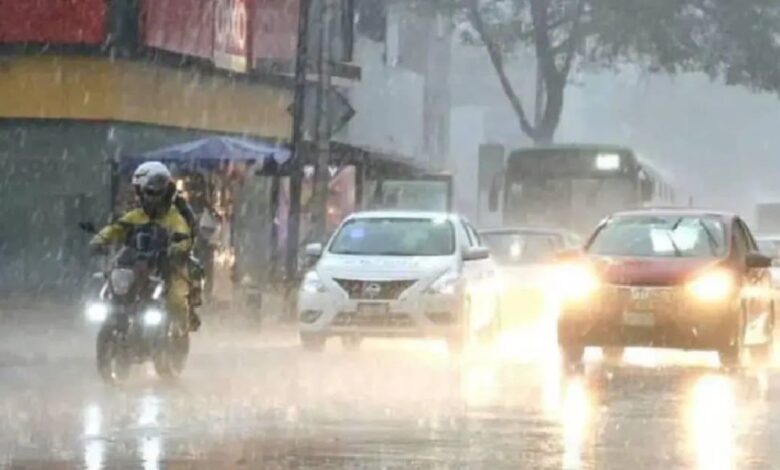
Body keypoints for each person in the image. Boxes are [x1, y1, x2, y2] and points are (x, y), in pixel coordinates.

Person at [90, 162, 197, 332]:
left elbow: (184, 236)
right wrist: (99, 241)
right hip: (135, 266)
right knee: (112, 288)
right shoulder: (137, 215)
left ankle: (178, 331)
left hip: (164, 267)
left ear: (166, 191)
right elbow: (116, 228)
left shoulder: (174, 217)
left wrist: (178, 248)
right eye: (146, 191)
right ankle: (120, 319)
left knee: (176, 297)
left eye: (155, 191)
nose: (151, 196)